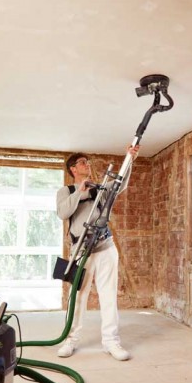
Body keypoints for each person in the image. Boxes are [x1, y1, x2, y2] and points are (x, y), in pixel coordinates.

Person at [56, 145, 140, 361]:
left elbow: (120, 183)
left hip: (105, 247)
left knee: (108, 295)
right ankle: (71, 340)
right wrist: (80, 192)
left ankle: (111, 342)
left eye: (88, 162)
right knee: (78, 297)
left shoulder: (100, 189)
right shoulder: (66, 191)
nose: (88, 165)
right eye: (83, 162)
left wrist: (129, 159)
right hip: (81, 251)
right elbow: (63, 213)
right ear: (73, 169)